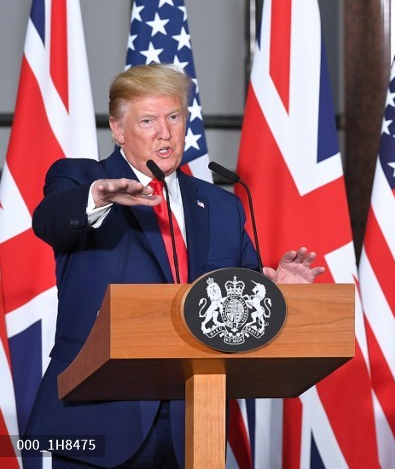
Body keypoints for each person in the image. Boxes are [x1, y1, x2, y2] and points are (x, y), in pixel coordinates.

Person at [26, 63, 324, 468]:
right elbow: (49, 222)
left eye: (174, 117)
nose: (164, 132)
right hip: (95, 413)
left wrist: (276, 292)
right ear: (118, 130)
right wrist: (97, 196)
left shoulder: (221, 205)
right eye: (147, 120)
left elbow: (239, 298)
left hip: (193, 421)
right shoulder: (82, 178)